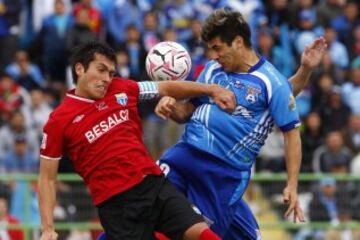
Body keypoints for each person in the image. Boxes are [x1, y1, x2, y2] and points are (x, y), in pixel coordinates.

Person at [37, 41, 236, 240]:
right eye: (101, 70)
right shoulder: (59, 120)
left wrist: (211, 90)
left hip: (153, 184)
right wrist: (47, 228)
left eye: (111, 73)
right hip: (117, 206)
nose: (106, 79)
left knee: (201, 234)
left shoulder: (122, 87)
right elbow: (47, 178)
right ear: (79, 68)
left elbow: (166, 87)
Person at [156, 9, 327, 240]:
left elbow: (292, 134)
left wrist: (292, 184)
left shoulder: (271, 82)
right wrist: (170, 104)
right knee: (142, 204)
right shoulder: (212, 70)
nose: (213, 55)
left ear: (237, 42)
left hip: (223, 173)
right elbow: (186, 111)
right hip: (184, 155)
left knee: (202, 235)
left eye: (217, 48)